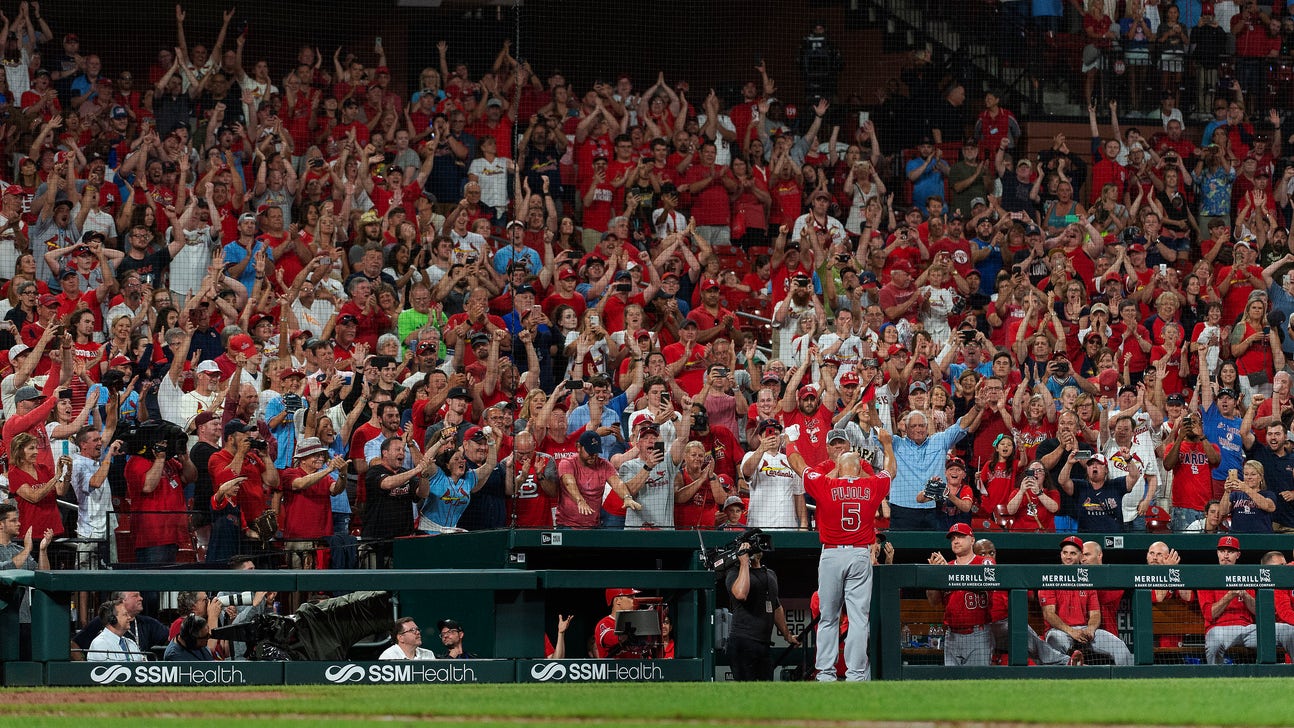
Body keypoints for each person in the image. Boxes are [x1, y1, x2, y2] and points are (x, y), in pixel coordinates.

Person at [785, 423, 894, 681]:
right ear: (858, 469)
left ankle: (825, 674)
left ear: (839, 468)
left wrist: (791, 440)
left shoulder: (826, 484)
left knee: (828, 617)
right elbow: (890, 471)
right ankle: (856, 675)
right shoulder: (869, 487)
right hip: (859, 554)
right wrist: (887, 445)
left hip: (832, 554)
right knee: (858, 619)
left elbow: (798, 465)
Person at [1039, 536, 1132, 665]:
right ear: (1060, 554)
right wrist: (1072, 632)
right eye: (1065, 553)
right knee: (1054, 641)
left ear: (1080, 556)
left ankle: (1127, 681)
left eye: (1073, 553)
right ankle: (1059, 680)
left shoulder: (1087, 578)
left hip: (1084, 629)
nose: (1068, 557)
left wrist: (1091, 628)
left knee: (1119, 646)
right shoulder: (1050, 576)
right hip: (1059, 630)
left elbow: (1095, 613)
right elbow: (1049, 614)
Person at [725, 534, 800, 681]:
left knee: (765, 693)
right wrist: (744, 563)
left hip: (764, 645)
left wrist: (787, 635)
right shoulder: (734, 573)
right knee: (745, 694)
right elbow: (741, 594)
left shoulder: (770, 574)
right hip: (742, 642)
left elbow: (776, 606)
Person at [924, 523, 994, 666]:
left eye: (961, 537)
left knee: (977, 683)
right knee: (952, 684)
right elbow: (933, 601)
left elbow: (988, 583)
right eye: (953, 538)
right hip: (952, 635)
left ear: (972, 540)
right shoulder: (946, 567)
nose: (956, 541)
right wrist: (934, 577)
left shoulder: (984, 562)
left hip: (978, 633)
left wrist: (948, 573)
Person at [1198, 535, 1258, 664]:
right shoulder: (1207, 577)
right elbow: (1210, 614)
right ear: (1217, 553)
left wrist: (1246, 595)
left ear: (1238, 555)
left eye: (1230, 552)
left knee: (1286, 631)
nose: (1225, 555)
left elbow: (1258, 612)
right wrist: (1230, 595)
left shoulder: (1246, 576)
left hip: (1247, 629)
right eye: (1222, 551)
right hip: (1220, 628)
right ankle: (1216, 679)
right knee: (1214, 640)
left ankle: (1273, 676)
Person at [594, 588, 654, 659]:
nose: (635, 600)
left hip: (636, 668)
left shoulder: (635, 622)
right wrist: (626, 634)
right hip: (614, 669)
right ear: (617, 601)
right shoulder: (604, 623)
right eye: (630, 597)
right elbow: (610, 638)